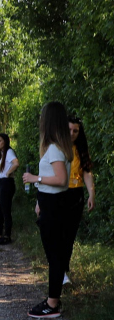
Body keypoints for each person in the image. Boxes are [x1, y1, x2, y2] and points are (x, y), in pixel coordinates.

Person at [22, 101, 74, 318]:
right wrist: (39, 201)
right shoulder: (60, 147)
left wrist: (35, 178)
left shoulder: (53, 148)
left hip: (53, 206)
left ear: (48, 121)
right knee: (56, 255)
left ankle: (52, 305)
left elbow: (61, 180)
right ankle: (53, 299)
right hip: (52, 204)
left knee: (54, 256)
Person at [63, 116, 96, 284]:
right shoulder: (56, 148)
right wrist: (40, 201)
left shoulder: (81, 150)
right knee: (57, 233)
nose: (72, 133)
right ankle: (58, 269)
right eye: (69, 130)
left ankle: (62, 270)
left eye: (75, 131)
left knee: (69, 235)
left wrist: (92, 194)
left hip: (76, 195)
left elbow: (87, 173)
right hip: (57, 194)